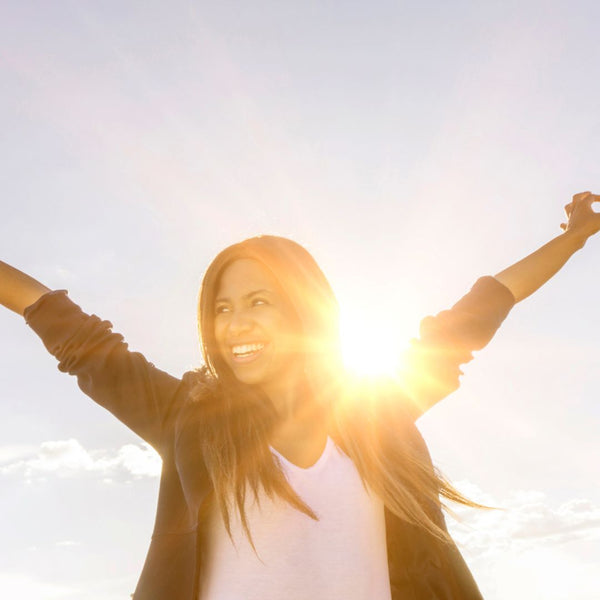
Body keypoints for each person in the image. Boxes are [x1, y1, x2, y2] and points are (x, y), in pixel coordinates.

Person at [1, 191, 599, 600]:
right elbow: (70, 331)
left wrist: (575, 238)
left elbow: (478, 313)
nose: (235, 326)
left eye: (259, 302)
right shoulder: (187, 417)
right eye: (222, 308)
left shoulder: (373, 411)